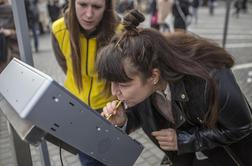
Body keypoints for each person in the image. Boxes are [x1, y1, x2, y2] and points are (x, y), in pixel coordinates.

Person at [97, 10, 252, 166]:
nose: (114, 92)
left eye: (122, 84)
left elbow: (242, 126)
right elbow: (140, 114)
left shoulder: (210, 79)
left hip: (226, 157)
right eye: (112, 82)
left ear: (154, 76)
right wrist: (123, 121)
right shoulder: (142, 79)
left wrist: (185, 140)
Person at [51, 0, 119, 165]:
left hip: (110, 111)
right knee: (88, 161)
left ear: (107, 7)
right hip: (76, 109)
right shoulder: (59, 29)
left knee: (114, 159)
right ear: (72, 3)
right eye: (82, 4)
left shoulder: (120, 31)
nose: (89, 14)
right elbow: (64, 64)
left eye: (96, 7)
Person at [0, 0, 19, 72]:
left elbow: (21, 34)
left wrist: (9, 32)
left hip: (10, 52)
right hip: (11, 54)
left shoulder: (12, 11)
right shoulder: (13, 11)